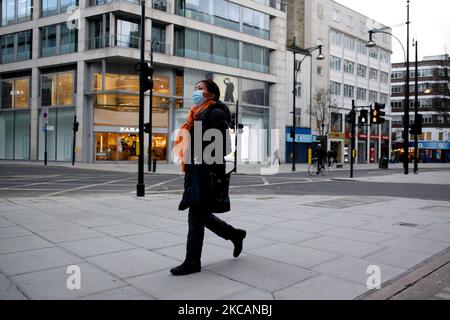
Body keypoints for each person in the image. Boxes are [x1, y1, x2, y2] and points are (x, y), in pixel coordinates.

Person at [170, 79, 246, 276]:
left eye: (200, 89)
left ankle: (192, 261)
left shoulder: (215, 113)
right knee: (198, 214)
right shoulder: (195, 114)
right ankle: (234, 234)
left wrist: (199, 147)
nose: (196, 91)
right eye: (195, 88)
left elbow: (225, 147)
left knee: (195, 215)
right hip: (195, 170)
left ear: (211, 94)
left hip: (207, 172)